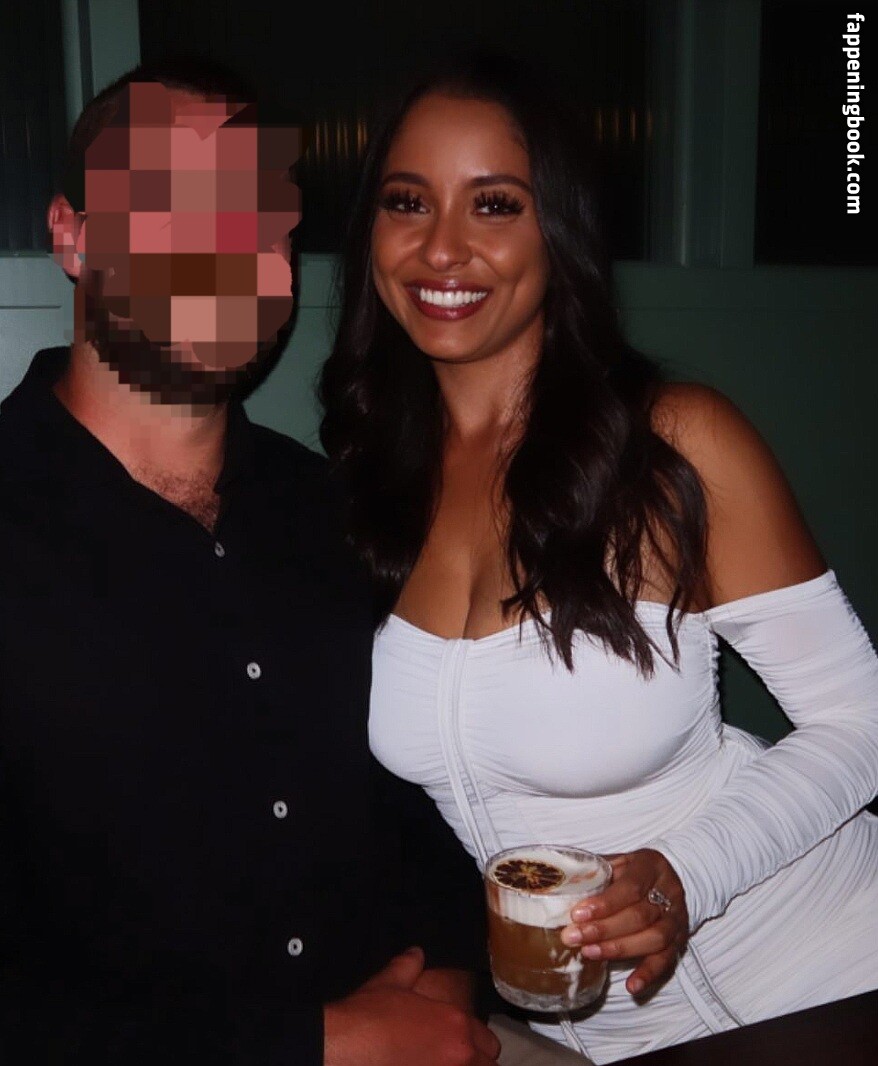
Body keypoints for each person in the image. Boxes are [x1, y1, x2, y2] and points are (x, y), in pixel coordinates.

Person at [319, 54, 878, 1063]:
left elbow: (859, 722)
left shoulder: (672, 443)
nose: (440, 246)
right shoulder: (370, 485)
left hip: (831, 978)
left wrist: (686, 872)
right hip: (603, 1040)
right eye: (408, 202)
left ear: (559, 232)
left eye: (494, 204)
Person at [0, 59, 503, 1065]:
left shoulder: (335, 509)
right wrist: (313, 1043)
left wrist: (449, 971)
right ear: (73, 234)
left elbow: (420, 799)